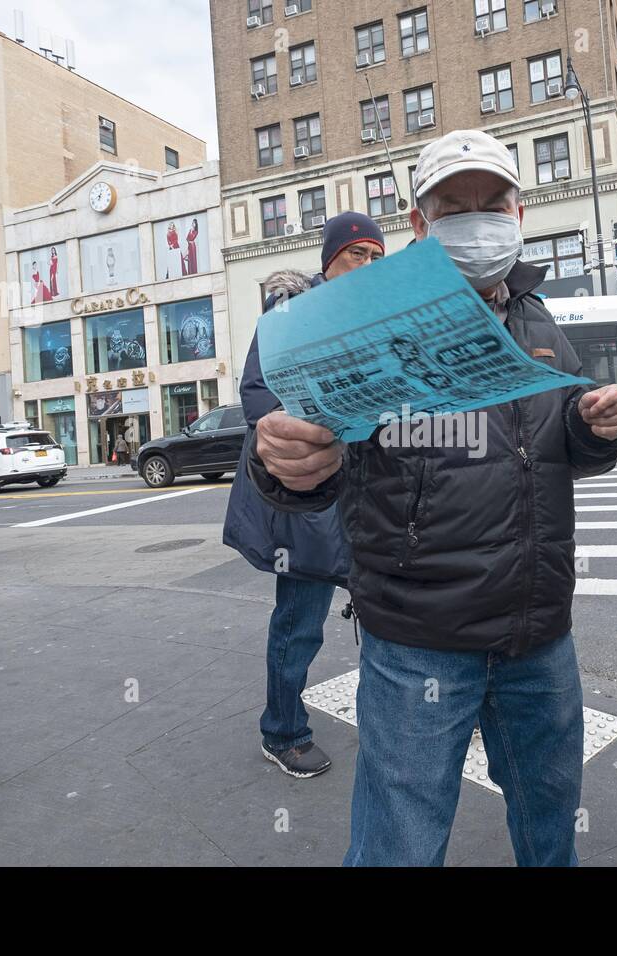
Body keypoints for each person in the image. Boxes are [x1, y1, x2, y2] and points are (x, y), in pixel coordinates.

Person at [248, 130, 617, 865]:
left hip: (540, 631)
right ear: (420, 226)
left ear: (518, 214)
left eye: (493, 203)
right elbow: (306, 453)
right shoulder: (364, 323)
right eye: (454, 206)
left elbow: (561, 443)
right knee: (401, 844)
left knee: (551, 826)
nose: (478, 219)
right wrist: (282, 465)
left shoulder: (540, 320)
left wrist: (595, 428)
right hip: (418, 641)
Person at [223, 211, 385, 778]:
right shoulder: (291, 312)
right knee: (300, 624)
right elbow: (257, 394)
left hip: (370, 498)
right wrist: (292, 438)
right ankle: (283, 731)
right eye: (356, 255)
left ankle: (392, 726)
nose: (366, 266)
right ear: (329, 260)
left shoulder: (380, 319)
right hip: (309, 501)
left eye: (375, 258)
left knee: (390, 622)